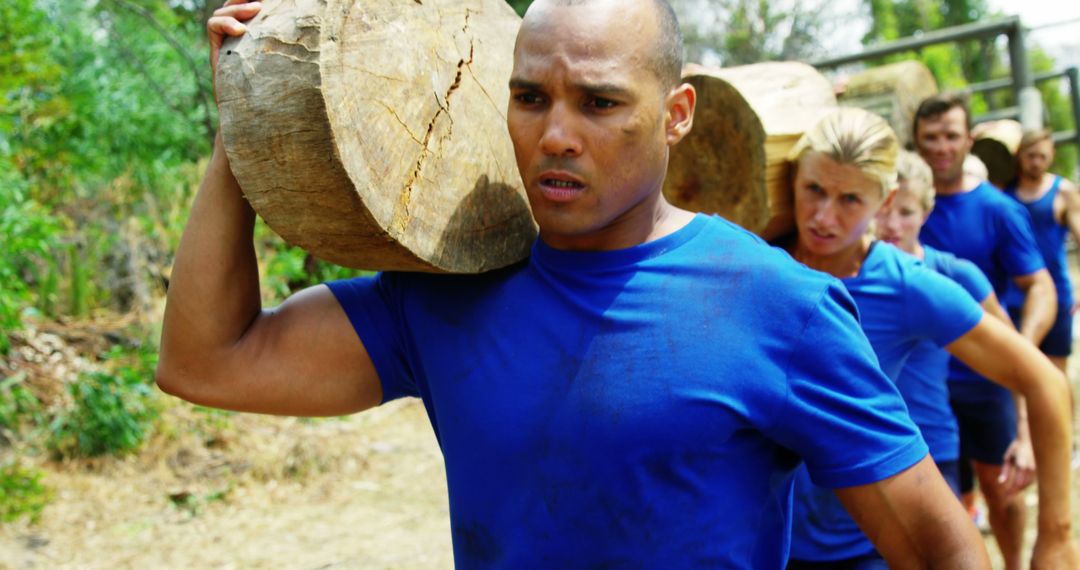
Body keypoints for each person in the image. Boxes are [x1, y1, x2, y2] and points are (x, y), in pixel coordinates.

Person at [160, 1, 991, 566]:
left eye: (599, 103)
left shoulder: (779, 305)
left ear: (677, 115)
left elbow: (935, 544)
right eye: (529, 97)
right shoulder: (449, 285)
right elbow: (209, 360)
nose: (556, 134)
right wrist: (251, 114)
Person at [780, 108, 1077, 568]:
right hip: (769, 537)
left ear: (885, 199)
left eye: (850, 201)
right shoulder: (762, 260)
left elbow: (1046, 382)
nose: (823, 217)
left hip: (867, 543)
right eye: (813, 190)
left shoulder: (906, 285)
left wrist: (1057, 534)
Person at [914, 93, 1057, 569]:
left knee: (1005, 491)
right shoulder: (896, 209)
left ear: (969, 140)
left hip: (984, 379)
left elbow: (1040, 286)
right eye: (930, 137)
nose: (941, 147)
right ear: (916, 140)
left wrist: (1019, 350)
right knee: (941, 506)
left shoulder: (997, 210)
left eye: (951, 136)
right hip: (920, 386)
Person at [876, 150, 1013, 497]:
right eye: (884, 210)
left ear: (926, 212)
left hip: (933, 446)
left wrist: (1023, 437)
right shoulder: (838, 275)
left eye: (905, 213)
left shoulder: (953, 274)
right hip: (867, 452)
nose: (892, 225)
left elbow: (1019, 360)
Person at [1002, 129, 1080, 411]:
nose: (1036, 162)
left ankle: (1067, 444)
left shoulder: (1064, 192)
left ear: (1051, 156)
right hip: (1013, 296)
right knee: (1019, 372)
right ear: (1019, 156)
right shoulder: (1004, 193)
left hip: (1055, 295)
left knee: (1056, 372)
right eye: (1031, 155)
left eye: (1042, 156)